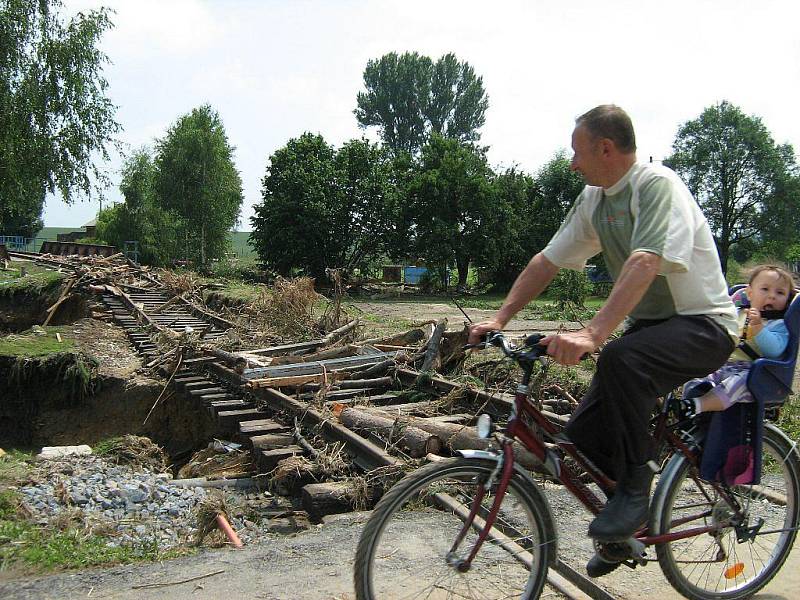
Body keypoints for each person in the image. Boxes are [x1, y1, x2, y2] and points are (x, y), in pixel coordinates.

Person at [468, 104, 739, 577]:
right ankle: (623, 535)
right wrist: (500, 317)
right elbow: (547, 261)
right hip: (655, 330)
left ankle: (636, 489)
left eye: (578, 152)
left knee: (619, 358)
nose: (572, 163)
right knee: (583, 440)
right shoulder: (595, 199)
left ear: (606, 148)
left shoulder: (656, 187)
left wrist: (593, 333)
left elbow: (645, 260)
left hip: (705, 324)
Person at [681, 265, 794, 416]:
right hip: (723, 365)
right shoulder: (737, 313)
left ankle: (697, 405)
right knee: (697, 375)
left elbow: (774, 351)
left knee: (737, 384)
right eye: (765, 289)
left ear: (787, 301)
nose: (772, 296)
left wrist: (759, 328)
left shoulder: (779, 324)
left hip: (754, 374)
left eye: (780, 292)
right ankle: (689, 403)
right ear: (750, 293)